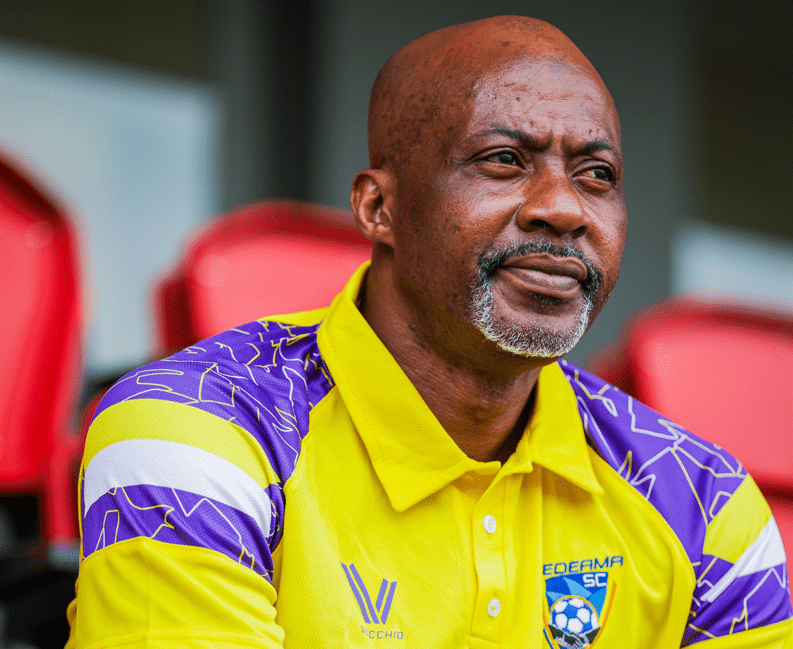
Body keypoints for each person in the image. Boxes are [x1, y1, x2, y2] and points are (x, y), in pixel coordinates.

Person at [66, 15, 792, 649]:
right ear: (378, 207)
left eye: (596, 174)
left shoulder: (704, 503)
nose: (564, 208)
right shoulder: (194, 430)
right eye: (504, 160)